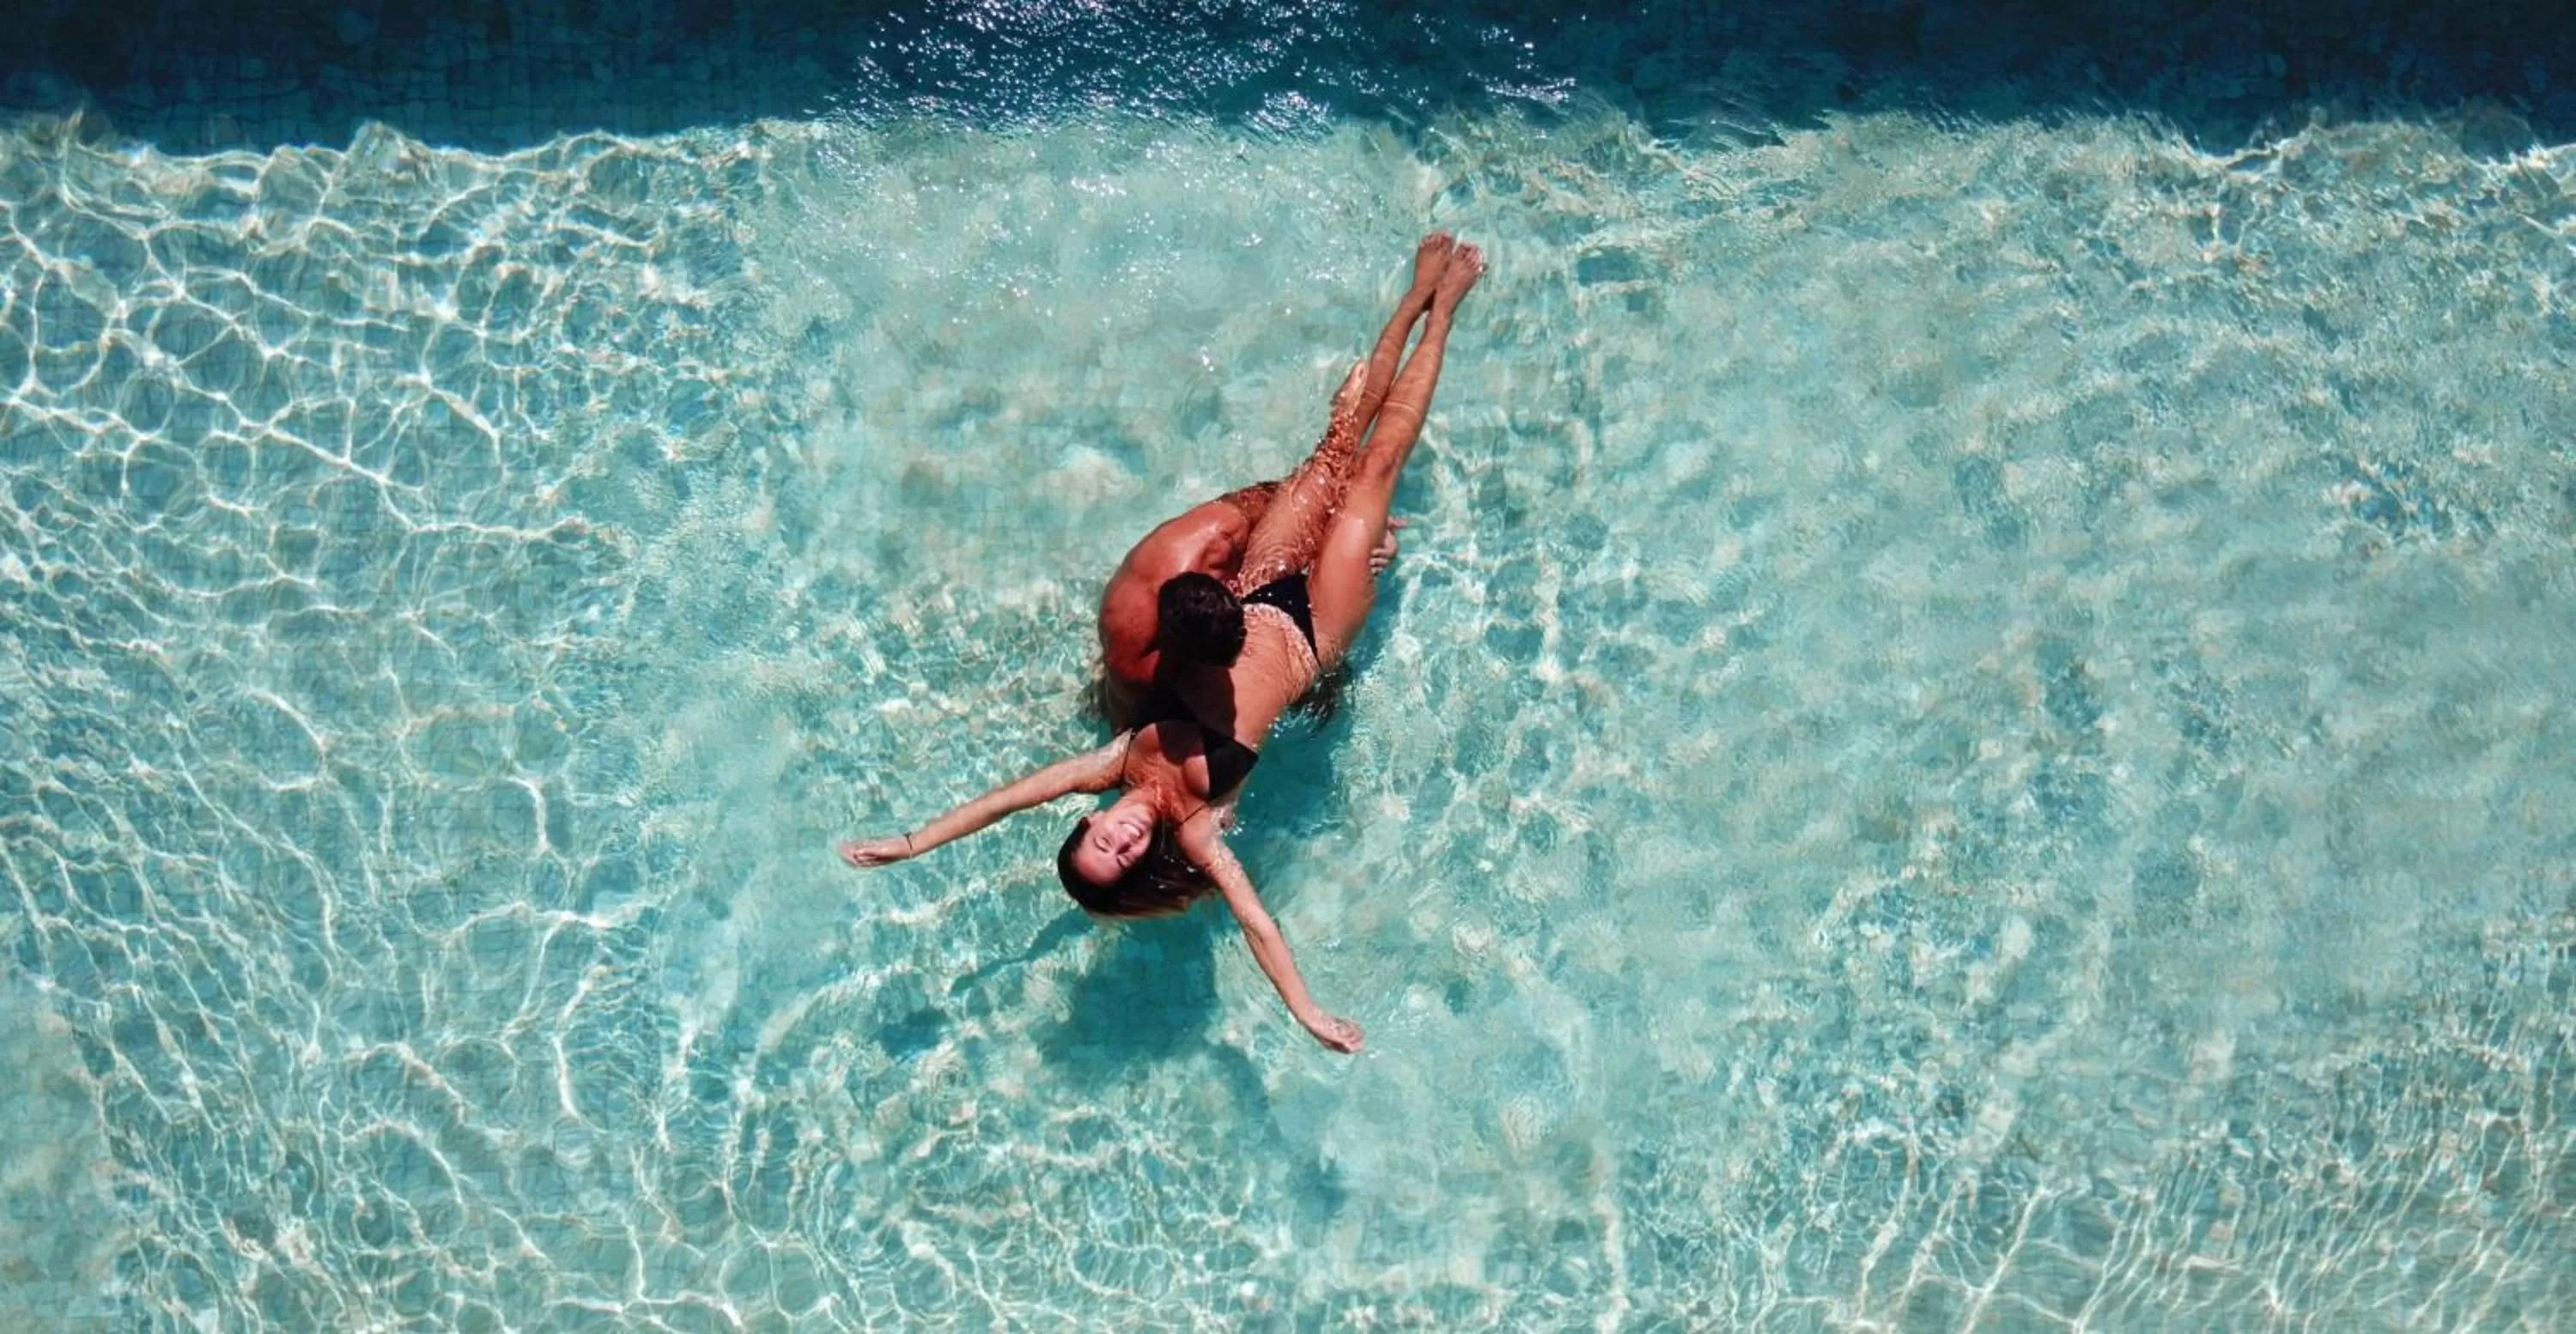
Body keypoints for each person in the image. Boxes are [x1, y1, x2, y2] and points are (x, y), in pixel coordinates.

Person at [840, 238, 1485, 1054]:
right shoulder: (1198, 831)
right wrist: (1307, 1011)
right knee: (1378, 465)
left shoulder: (1110, 764)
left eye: (1100, 842)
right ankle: (1449, 314)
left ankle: (1415, 294)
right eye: (1124, 858)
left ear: (1088, 827)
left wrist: (911, 842)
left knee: (1338, 441)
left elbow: (1002, 800)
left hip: (1258, 587)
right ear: (1141, 864)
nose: (1121, 841)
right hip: (1316, 625)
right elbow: (1255, 921)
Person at [1091, 232, 1456, 728]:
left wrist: (1337, 503)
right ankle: (1433, 317)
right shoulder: (1137, 664)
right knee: (1359, 472)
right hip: (1280, 642)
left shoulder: (1218, 535)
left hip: (1269, 591)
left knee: (1342, 449)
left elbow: (1285, 501)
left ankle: (1419, 300)